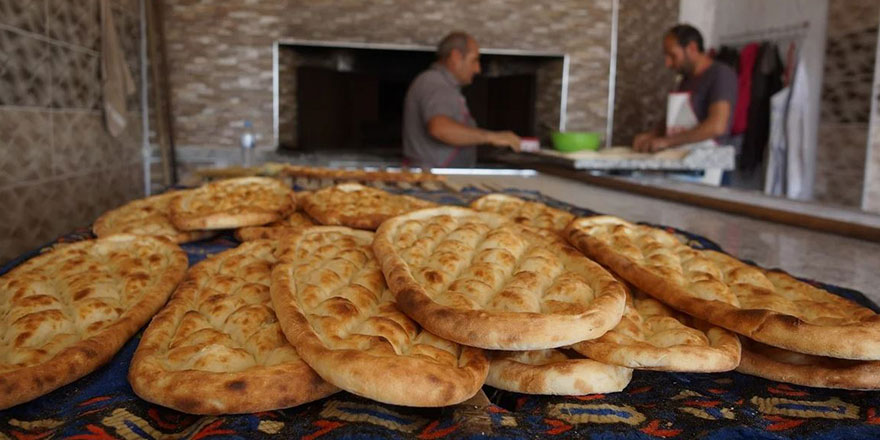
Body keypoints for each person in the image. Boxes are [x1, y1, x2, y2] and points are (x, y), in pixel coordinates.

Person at [402, 32, 521, 168]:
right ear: (456, 57)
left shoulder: (443, 85)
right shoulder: (434, 82)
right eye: (474, 60)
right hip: (435, 179)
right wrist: (491, 137)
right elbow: (440, 129)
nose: (477, 69)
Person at [633, 24, 738, 153]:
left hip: (707, 161)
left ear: (692, 48)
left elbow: (717, 126)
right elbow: (674, 118)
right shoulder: (686, 79)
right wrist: (652, 135)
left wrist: (667, 141)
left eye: (672, 56)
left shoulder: (720, 74)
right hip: (683, 156)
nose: (668, 63)